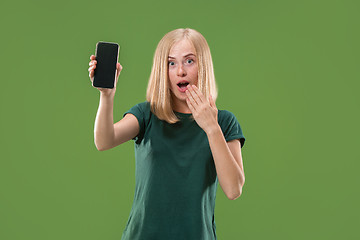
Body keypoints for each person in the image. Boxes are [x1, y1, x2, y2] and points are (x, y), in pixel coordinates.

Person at [88, 28, 246, 240]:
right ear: (164, 71)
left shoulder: (224, 122)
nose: (180, 71)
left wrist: (211, 127)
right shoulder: (146, 114)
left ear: (203, 66)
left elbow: (234, 189)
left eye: (189, 61)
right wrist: (107, 96)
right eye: (171, 63)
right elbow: (104, 141)